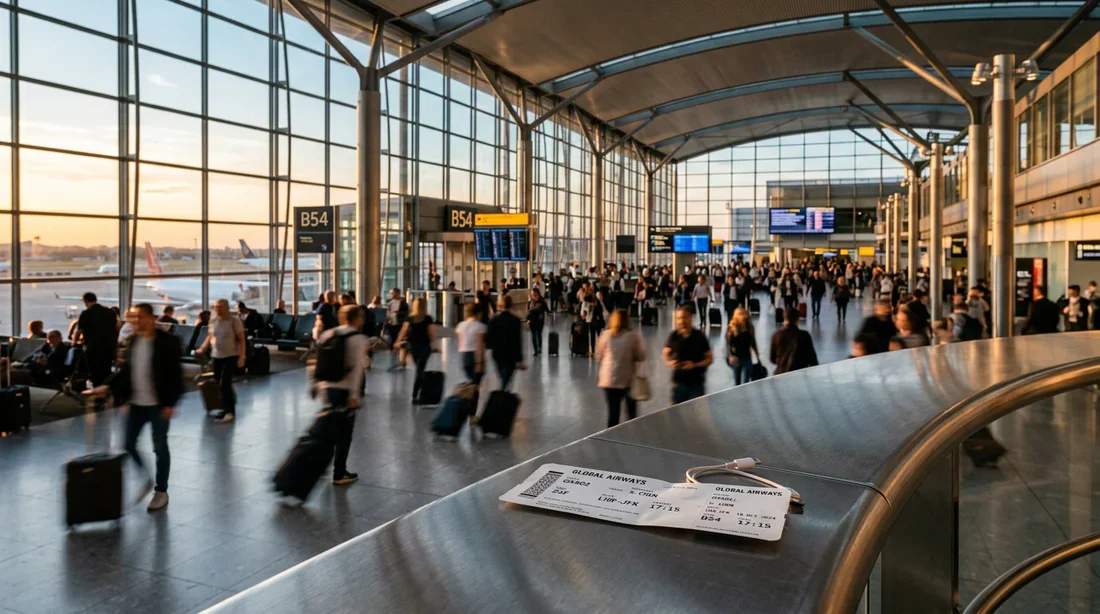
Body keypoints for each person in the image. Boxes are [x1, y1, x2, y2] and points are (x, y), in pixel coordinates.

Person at [89, 304, 182, 512]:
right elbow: (125, 372)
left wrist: (170, 404)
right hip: (137, 403)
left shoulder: (168, 342)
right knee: (128, 444)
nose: (136, 321)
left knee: (160, 447)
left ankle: (161, 490)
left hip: (159, 405)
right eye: (133, 317)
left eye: (140, 317)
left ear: (152, 318)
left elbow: (175, 375)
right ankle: (147, 477)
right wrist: (108, 388)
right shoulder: (132, 341)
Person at [311, 305, 369, 486]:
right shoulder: (359, 339)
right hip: (345, 391)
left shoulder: (328, 334)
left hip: (327, 388)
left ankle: (318, 468)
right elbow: (357, 370)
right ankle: (339, 472)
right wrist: (354, 395)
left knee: (329, 430)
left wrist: (315, 385)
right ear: (357, 319)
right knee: (344, 434)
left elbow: (318, 361)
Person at [196, 299, 246, 423]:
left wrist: (242, 357)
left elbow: (241, 339)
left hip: (231, 355)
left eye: (221, 306)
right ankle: (225, 408)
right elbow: (210, 337)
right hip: (216, 356)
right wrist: (202, 348)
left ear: (227, 308)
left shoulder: (234, 321)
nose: (218, 309)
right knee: (220, 384)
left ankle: (230, 411)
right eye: (216, 307)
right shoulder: (213, 321)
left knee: (225, 383)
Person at [594, 310, 646, 428]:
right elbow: (641, 355)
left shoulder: (605, 335)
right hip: (627, 379)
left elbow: (598, 356)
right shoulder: (632, 336)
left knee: (613, 412)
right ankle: (631, 431)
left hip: (608, 380)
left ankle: (612, 434)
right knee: (631, 411)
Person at [76, 292, 118, 411]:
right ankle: (107, 395)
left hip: (93, 349)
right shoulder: (110, 312)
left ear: (85, 301)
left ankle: (99, 400)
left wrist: (75, 341)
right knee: (106, 372)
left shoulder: (86, 313)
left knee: (95, 374)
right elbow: (117, 327)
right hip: (108, 348)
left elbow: (79, 331)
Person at [662, 306, 713, 404]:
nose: (681, 321)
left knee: (695, 410)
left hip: (696, 383)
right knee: (677, 411)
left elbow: (709, 358)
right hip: (679, 383)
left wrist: (694, 365)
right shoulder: (674, 336)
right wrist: (669, 362)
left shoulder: (699, 336)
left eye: (684, 317)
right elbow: (665, 352)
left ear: (690, 318)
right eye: (679, 318)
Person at [397, 298, 436, 404]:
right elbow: (431, 334)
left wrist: (397, 342)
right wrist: (435, 346)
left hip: (413, 347)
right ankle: (417, 394)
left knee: (419, 369)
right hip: (425, 347)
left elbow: (403, 331)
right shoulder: (428, 318)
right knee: (420, 370)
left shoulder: (410, 318)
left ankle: (416, 394)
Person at [486, 294, 526, 391]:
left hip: (497, 353)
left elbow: (489, 339)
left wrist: (491, 346)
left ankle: (503, 393)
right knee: (507, 377)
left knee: (503, 376)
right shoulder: (515, 321)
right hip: (510, 354)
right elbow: (517, 341)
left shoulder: (493, 320)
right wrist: (519, 360)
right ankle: (503, 394)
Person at [3, 329, 69, 387]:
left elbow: (52, 363)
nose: (49, 338)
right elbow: (36, 355)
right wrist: (34, 360)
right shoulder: (47, 347)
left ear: (59, 338)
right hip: (34, 366)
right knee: (7, 370)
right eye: (48, 336)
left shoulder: (61, 349)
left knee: (9, 374)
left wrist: (25, 364)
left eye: (52, 336)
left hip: (42, 370)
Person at [770, 307, 818, 374]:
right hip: (800, 373)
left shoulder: (776, 335)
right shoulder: (804, 335)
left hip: (781, 373)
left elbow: (772, 358)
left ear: (784, 319)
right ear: (797, 319)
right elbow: (812, 359)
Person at [726, 307, 760, 385]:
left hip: (747, 356)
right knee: (737, 381)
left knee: (746, 380)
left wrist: (757, 357)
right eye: (740, 314)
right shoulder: (732, 328)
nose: (743, 316)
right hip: (736, 357)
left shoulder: (750, 327)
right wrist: (730, 356)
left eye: (744, 314)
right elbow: (728, 344)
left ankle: (745, 392)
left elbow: (753, 342)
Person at [455, 303, 486, 385]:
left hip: (464, 356)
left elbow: (459, 342)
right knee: (475, 383)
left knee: (471, 382)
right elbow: (479, 345)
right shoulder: (480, 326)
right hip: (474, 356)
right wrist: (479, 363)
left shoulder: (460, 325)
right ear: (478, 313)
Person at [527, 287, 549, 356]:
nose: (532, 295)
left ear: (536, 294)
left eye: (533, 294)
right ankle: (536, 350)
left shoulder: (541, 301)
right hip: (532, 320)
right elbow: (528, 311)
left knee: (539, 334)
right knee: (534, 335)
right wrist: (528, 319)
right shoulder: (531, 301)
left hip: (539, 320)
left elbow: (541, 309)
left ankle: (539, 347)